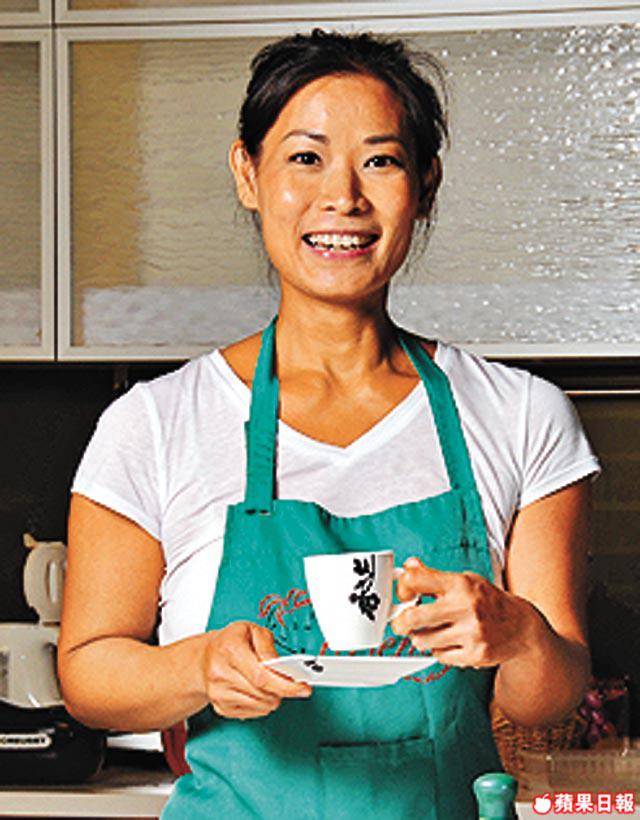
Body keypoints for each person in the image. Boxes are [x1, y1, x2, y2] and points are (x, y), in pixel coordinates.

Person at [58, 30, 600, 819]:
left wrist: (518, 635)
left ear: (426, 183)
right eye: (306, 158)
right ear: (248, 173)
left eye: (381, 160)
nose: (342, 196)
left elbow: (549, 697)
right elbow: (88, 674)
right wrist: (198, 667)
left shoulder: (521, 415)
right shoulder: (155, 424)